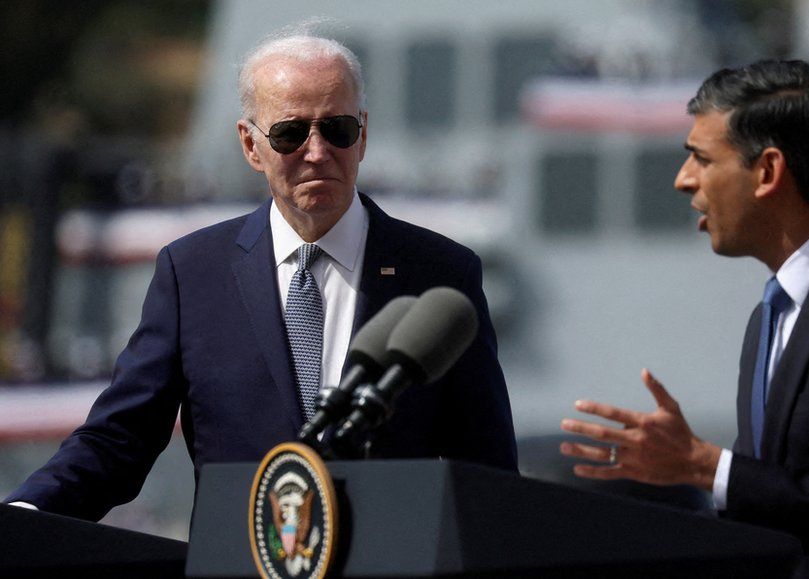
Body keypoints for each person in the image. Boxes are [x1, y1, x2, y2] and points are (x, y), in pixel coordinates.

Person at [5, 31, 517, 522]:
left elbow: (486, 470)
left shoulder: (441, 275)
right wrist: (28, 517)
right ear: (251, 145)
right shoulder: (193, 274)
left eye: (337, 129)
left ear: (363, 135)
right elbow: (121, 438)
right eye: (291, 133)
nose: (317, 152)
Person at [560, 60, 809, 577]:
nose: (683, 180)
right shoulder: (769, 317)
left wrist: (707, 467)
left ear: (768, 172)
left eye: (701, 159)